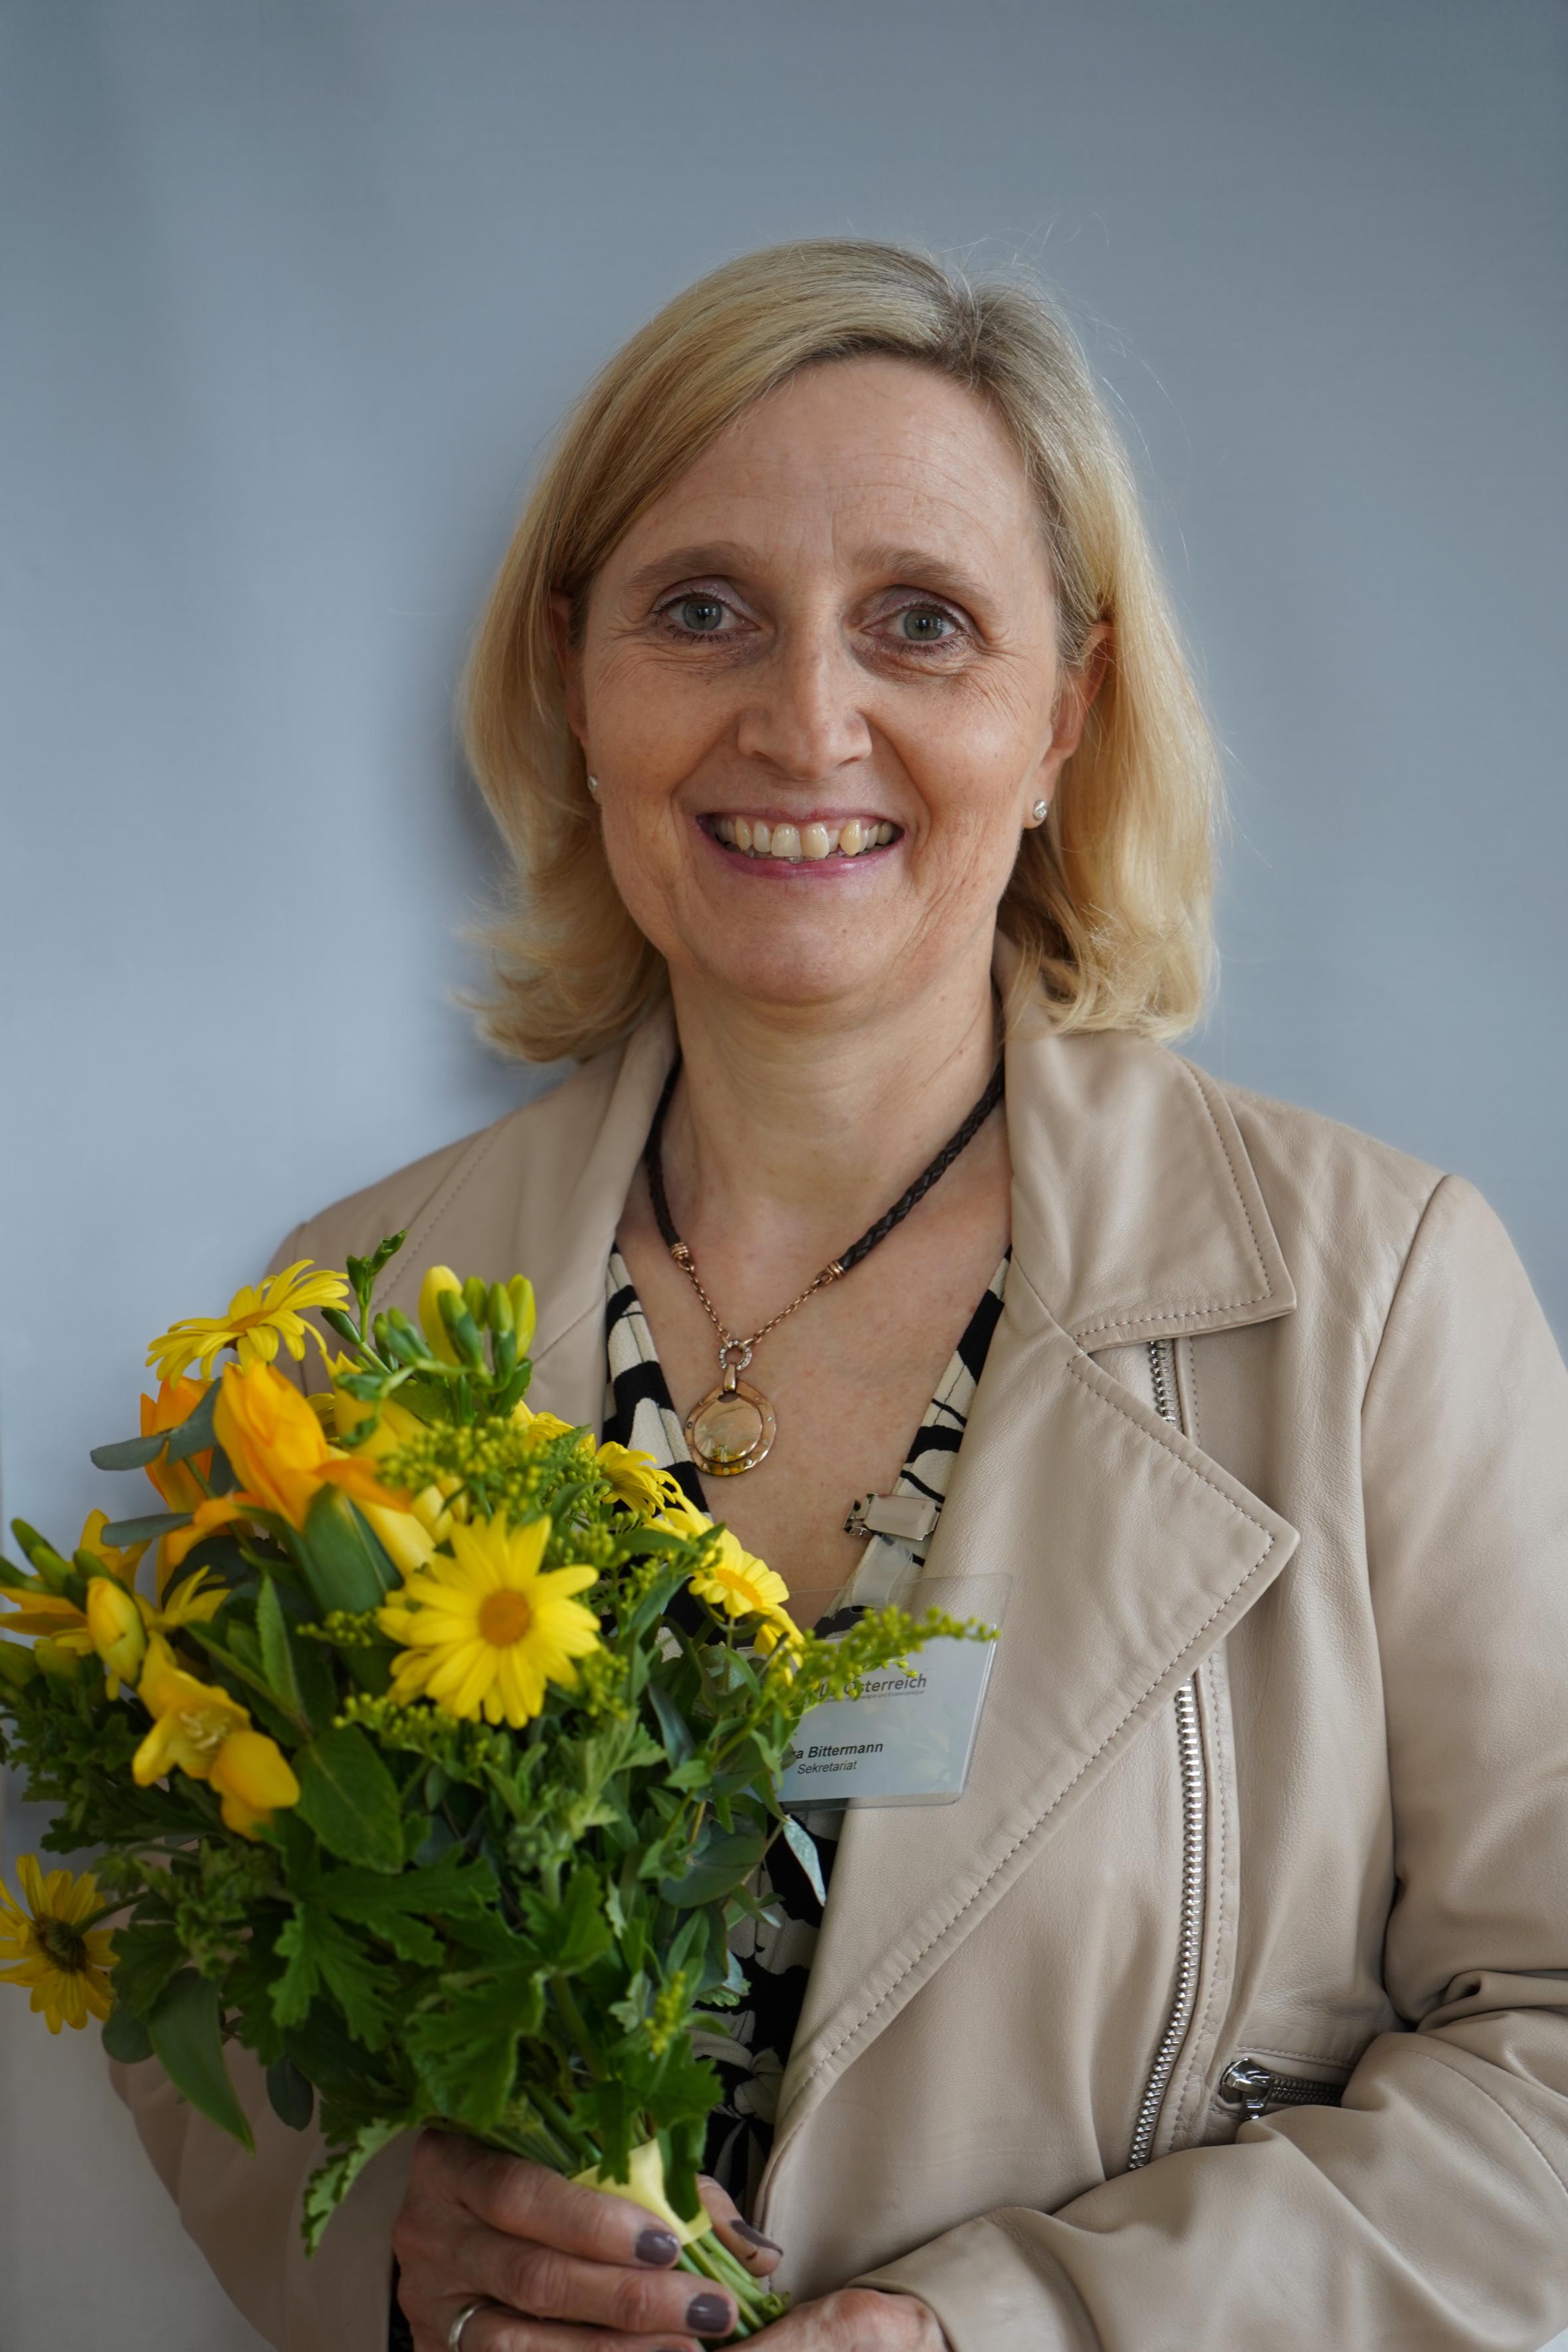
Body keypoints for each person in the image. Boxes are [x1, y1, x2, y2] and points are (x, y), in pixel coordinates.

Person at [112, 239, 1568, 2352]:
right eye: (702, 609)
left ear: (1065, 714)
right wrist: (407, 2258)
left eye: (923, 621)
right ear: (576, 679)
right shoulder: (336, 1326)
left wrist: (999, 2333)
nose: (806, 720)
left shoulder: (1381, 1300)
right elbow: (202, 2005)